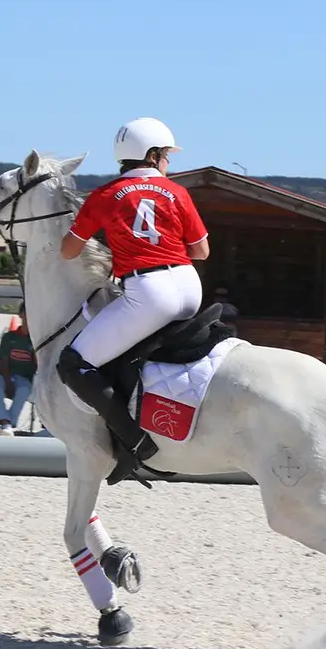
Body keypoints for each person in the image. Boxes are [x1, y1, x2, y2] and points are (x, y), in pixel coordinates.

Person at [56, 117, 210, 485]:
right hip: (189, 285)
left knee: (73, 363)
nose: (169, 163)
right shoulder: (178, 192)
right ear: (153, 155)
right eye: (167, 156)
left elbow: (67, 251)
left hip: (149, 292)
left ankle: (137, 442)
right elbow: (201, 250)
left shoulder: (105, 195)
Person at [0, 302, 36, 436]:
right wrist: (8, 381)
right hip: (5, 374)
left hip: (25, 377)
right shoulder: (9, 337)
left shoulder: (36, 339)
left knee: (24, 390)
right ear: (21, 315)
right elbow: (3, 362)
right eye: (27, 313)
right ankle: (6, 422)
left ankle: (6, 424)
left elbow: (38, 365)